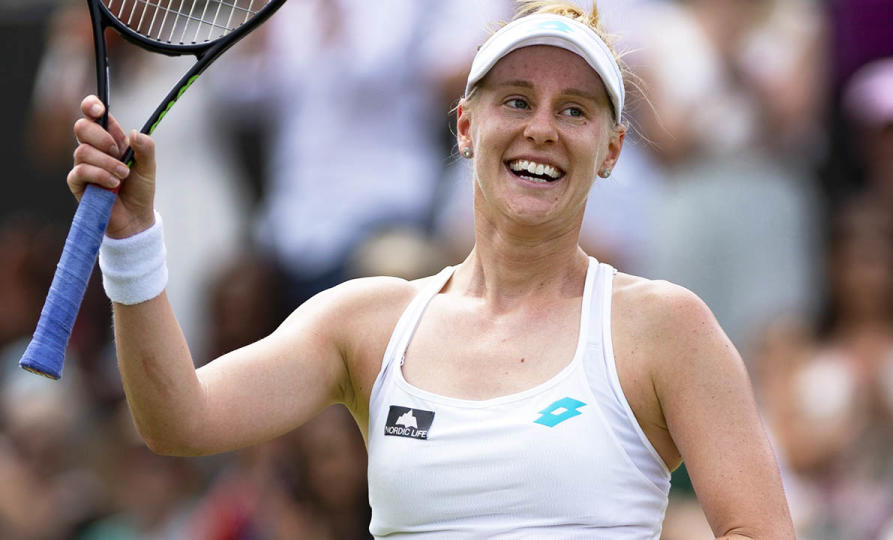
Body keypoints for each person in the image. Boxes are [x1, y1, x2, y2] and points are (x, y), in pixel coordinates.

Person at [67, 1, 794, 537]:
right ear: (466, 126)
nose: (541, 126)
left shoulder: (666, 327)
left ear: (611, 149)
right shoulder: (365, 321)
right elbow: (176, 418)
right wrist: (131, 241)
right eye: (516, 100)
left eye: (575, 110)